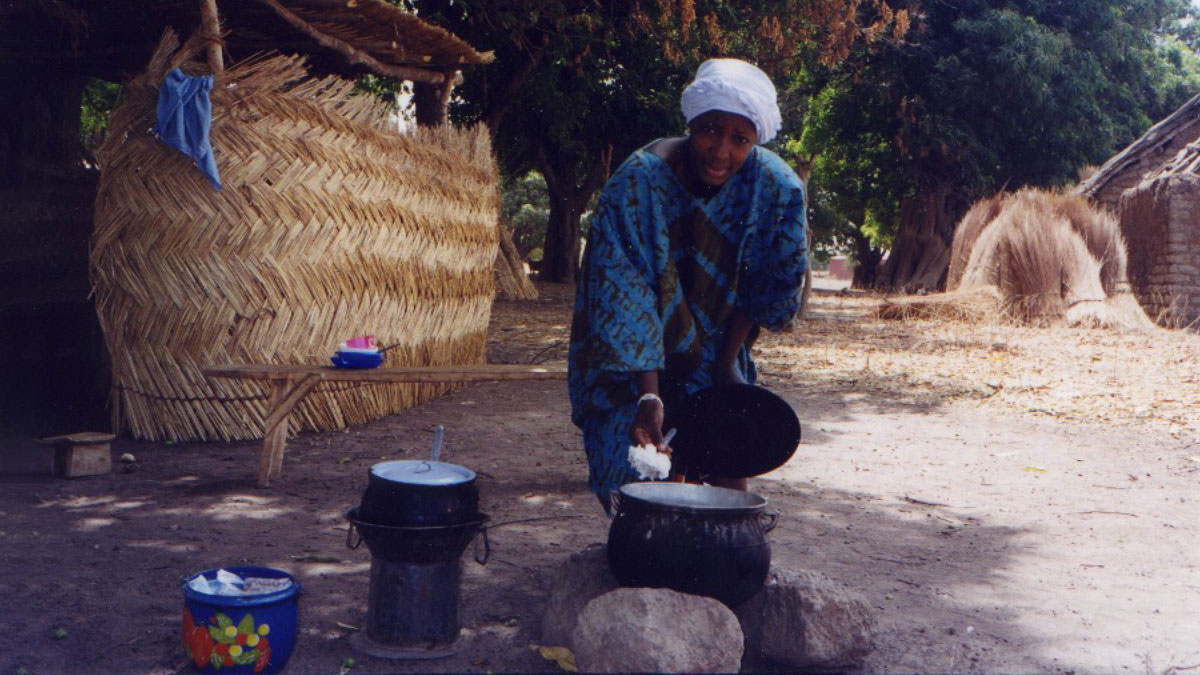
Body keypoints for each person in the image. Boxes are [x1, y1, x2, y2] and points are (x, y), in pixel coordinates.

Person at [567, 58, 809, 513]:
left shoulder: (776, 189)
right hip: (630, 360)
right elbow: (624, 293)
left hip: (716, 343)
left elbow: (768, 285)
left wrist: (726, 366)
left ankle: (729, 554)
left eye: (740, 139)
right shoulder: (636, 184)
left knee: (728, 443)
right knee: (636, 466)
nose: (721, 150)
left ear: (755, 140)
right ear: (692, 123)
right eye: (710, 130)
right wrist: (650, 394)